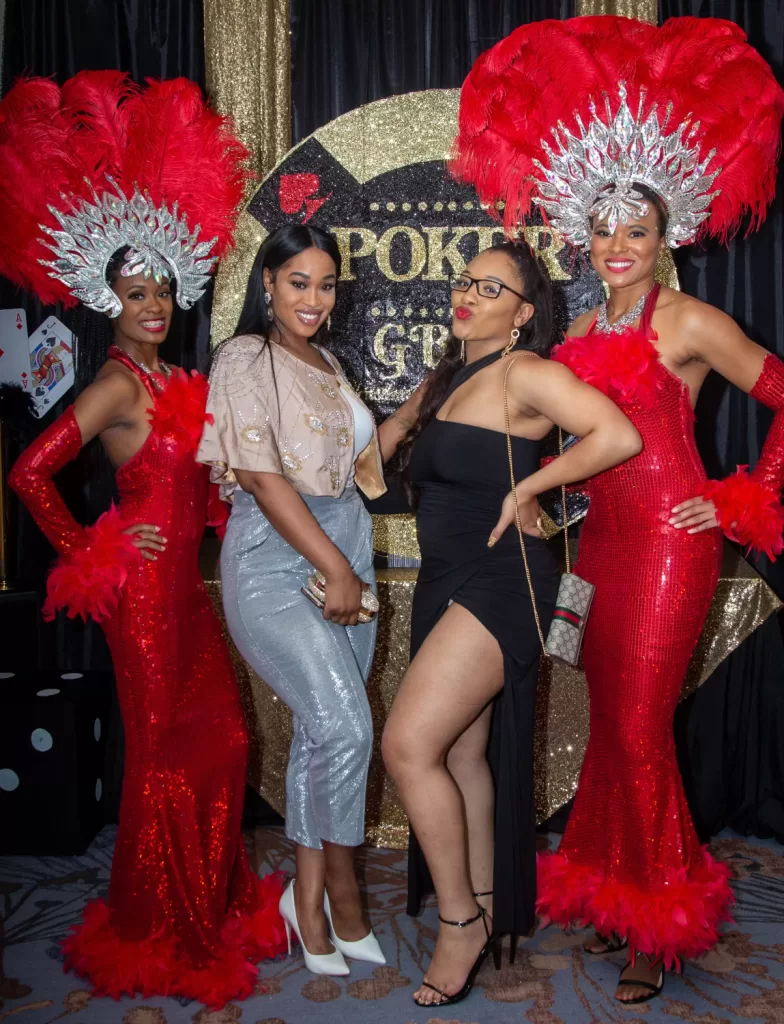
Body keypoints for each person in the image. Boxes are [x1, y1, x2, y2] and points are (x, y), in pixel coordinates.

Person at [451, 15, 784, 1005]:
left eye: (633, 231)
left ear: (664, 233)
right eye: (600, 231)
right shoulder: (581, 327)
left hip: (672, 552)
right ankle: (610, 885)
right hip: (600, 556)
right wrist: (548, 511)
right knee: (611, 729)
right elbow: (567, 442)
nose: (614, 247)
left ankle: (657, 916)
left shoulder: (689, 321)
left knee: (639, 727)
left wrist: (743, 498)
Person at [1, 73, 286, 1007]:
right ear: (107, 298)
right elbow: (29, 471)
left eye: (163, 288)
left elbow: (195, 494)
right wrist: (99, 545)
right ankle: (166, 922)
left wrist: (228, 502)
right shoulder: (118, 386)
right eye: (135, 291)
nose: (154, 303)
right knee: (167, 756)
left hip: (188, 596)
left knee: (228, 743)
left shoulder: (176, 381)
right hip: (142, 600)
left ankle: (206, 898)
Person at [381, 239, 643, 1008]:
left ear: (523, 312)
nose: (466, 295)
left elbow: (616, 435)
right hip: (444, 580)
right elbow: (380, 454)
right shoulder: (451, 376)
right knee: (461, 753)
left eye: (488, 287)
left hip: (503, 580)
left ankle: (461, 921)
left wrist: (531, 485)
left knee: (408, 745)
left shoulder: (526, 372)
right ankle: (489, 905)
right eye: (464, 281)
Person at [198, 224, 422, 977]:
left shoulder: (327, 362)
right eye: (299, 282)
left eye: (327, 285)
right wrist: (340, 570)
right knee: (346, 725)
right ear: (267, 283)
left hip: (345, 546)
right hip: (276, 558)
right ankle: (343, 894)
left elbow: (360, 469)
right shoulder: (242, 358)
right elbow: (263, 478)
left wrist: (424, 400)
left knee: (322, 735)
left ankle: (309, 897)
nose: (314, 299)